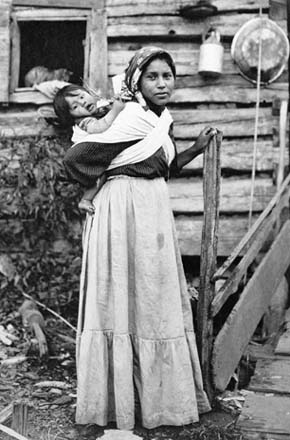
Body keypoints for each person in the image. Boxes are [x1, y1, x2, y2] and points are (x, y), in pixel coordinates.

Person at [64, 46, 216, 430]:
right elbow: (77, 157)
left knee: (151, 293)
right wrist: (101, 182)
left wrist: (197, 148)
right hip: (122, 208)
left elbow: (164, 166)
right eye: (153, 77)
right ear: (136, 81)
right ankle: (119, 403)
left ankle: (159, 401)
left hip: (153, 207)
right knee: (121, 293)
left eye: (168, 76)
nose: (162, 83)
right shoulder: (129, 115)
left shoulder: (161, 121)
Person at [53, 84, 126, 213]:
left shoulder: (98, 108)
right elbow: (99, 127)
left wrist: (114, 103)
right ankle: (86, 200)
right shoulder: (84, 121)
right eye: (75, 107)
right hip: (87, 155)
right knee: (100, 175)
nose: (82, 103)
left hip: (99, 148)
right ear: (72, 116)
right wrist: (115, 110)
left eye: (82, 96)